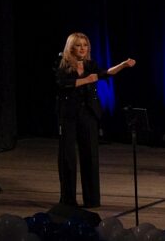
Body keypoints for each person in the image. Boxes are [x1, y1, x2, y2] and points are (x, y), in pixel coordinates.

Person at [55, 32, 135, 208]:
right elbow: (61, 84)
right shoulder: (62, 64)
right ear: (71, 48)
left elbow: (105, 73)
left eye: (85, 45)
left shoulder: (90, 65)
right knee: (67, 158)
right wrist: (85, 80)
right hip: (68, 116)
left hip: (88, 114)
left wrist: (123, 65)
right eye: (78, 45)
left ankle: (91, 199)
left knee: (90, 156)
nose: (82, 48)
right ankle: (68, 200)